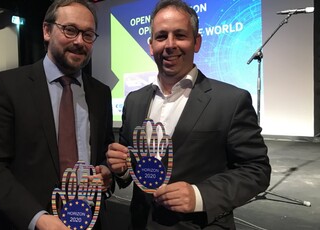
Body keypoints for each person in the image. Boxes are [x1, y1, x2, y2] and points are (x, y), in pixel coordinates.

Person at [106, 0, 271, 229]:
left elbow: (257, 170)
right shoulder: (134, 100)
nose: (170, 44)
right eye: (161, 36)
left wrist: (199, 195)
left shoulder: (231, 100)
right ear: (150, 45)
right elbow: (129, 163)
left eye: (180, 35)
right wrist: (122, 169)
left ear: (197, 42)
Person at [0, 0, 114, 229]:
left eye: (88, 34)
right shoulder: (8, 86)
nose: (79, 41)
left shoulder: (100, 93)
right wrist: (37, 218)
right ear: (47, 31)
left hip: (88, 221)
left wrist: (106, 170)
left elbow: (102, 152)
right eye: (70, 30)